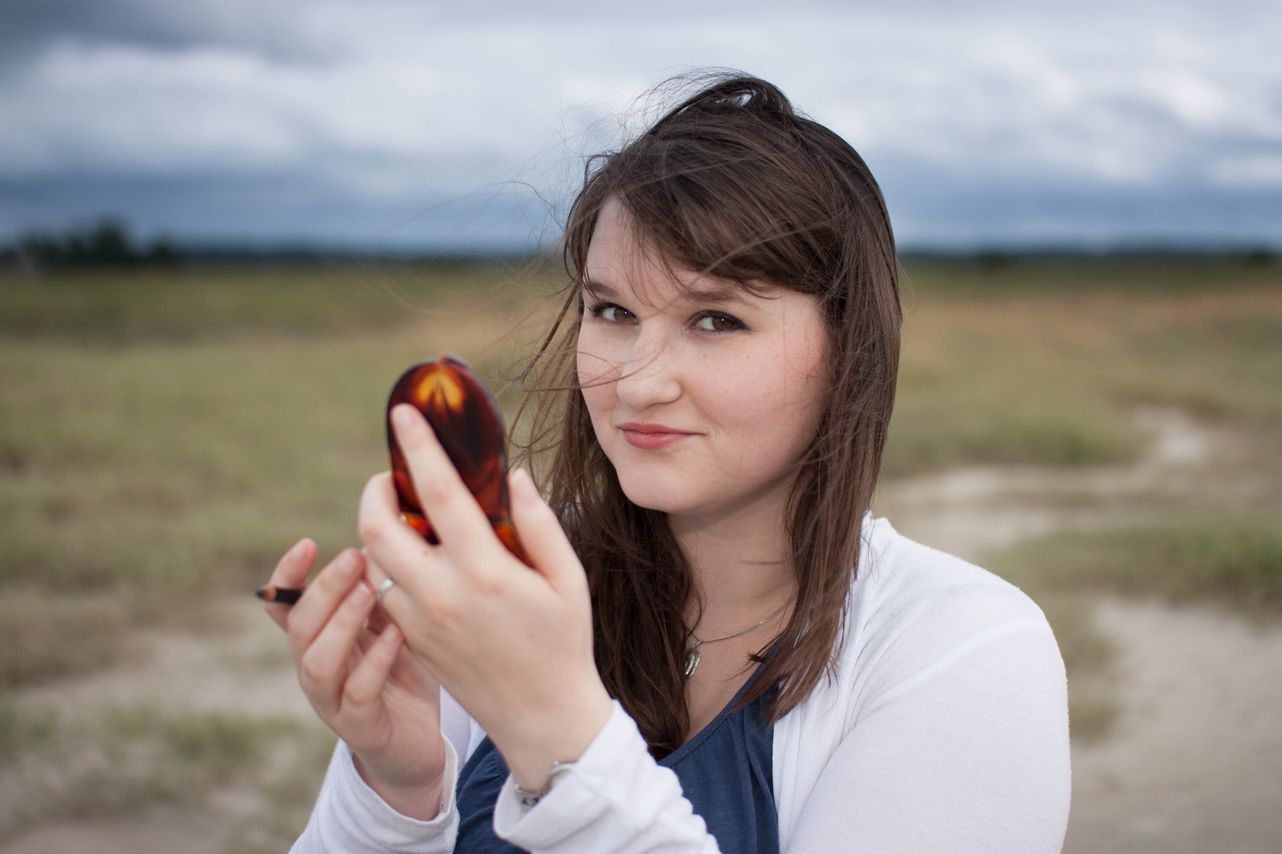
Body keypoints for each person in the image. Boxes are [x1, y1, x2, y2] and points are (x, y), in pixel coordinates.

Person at [261, 71, 1072, 853]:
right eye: (612, 311)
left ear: (847, 348)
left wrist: (555, 732)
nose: (636, 383)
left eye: (716, 320)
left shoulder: (961, 649)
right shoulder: (512, 591)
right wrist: (399, 792)